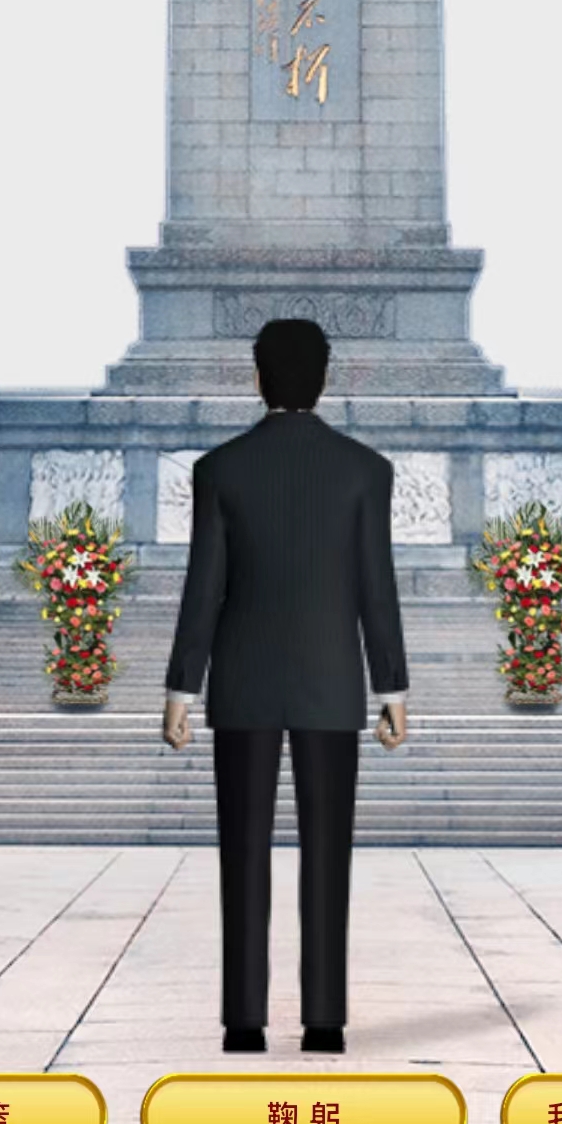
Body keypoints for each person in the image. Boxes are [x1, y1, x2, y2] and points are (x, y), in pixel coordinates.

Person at [162, 317, 410, 1055]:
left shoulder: (221, 470)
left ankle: (244, 1021)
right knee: (328, 857)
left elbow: (204, 587)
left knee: (242, 856)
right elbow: (376, 587)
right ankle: (324, 1021)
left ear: (257, 376)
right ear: (325, 378)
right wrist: (392, 689)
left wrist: (181, 689)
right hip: (332, 682)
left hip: (243, 682)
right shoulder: (365, 470)